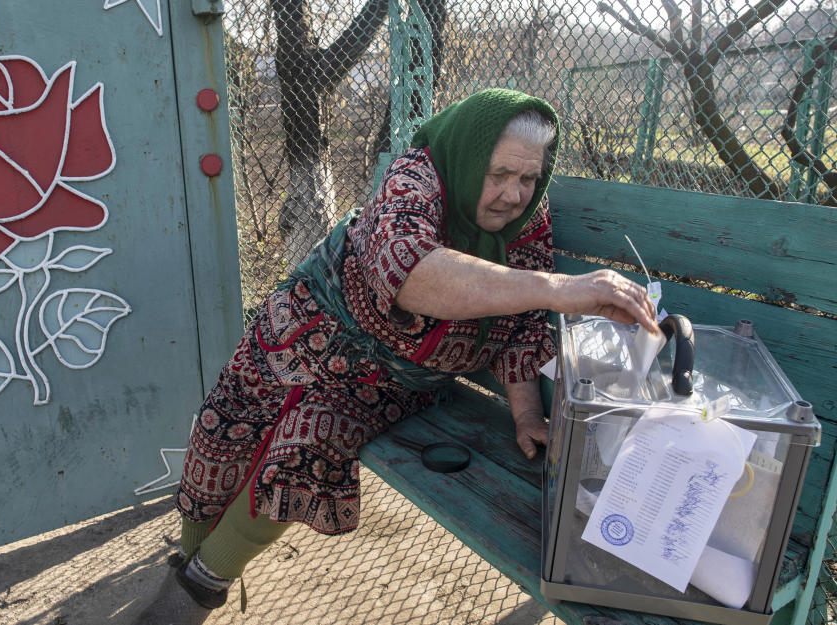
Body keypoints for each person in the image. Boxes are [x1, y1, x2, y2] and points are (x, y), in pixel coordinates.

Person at [135, 88, 658, 621]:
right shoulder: (416, 175)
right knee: (226, 423)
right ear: (467, 156)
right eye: (498, 174)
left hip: (390, 381)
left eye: (527, 178)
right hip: (311, 328)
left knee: (306, 444)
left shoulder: (528, 219)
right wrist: (555, 288)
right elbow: (405, 270)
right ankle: (189, 550)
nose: (513, 194)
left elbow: (520, 326)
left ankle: (202, 582)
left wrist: (526, 413)